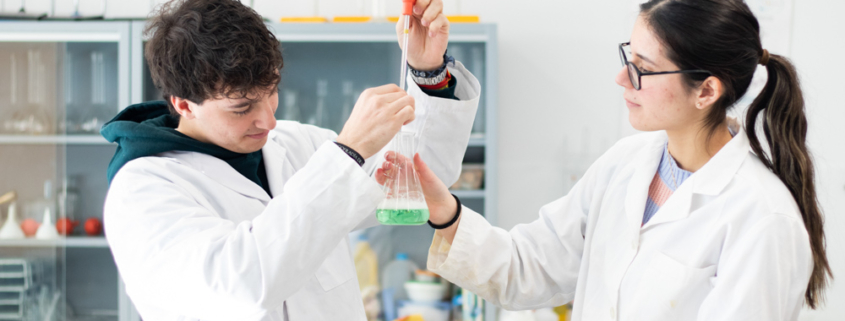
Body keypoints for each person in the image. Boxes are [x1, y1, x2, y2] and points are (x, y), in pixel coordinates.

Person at [394, 0, 832, 320]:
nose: (622, 77)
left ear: (706, 91)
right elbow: (529, 268)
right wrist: (446, 213)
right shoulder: (626, 164)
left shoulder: (762, 217)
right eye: (628, 56)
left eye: (642, 67)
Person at [100, 0, 481, 320]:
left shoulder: (296, 144)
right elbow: (241, 286)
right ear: (184, 104)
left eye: (272, 92)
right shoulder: (143, 191)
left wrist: (428, 73)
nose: (268, 120)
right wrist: (346, 154)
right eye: (242, 107)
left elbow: (420, 176)